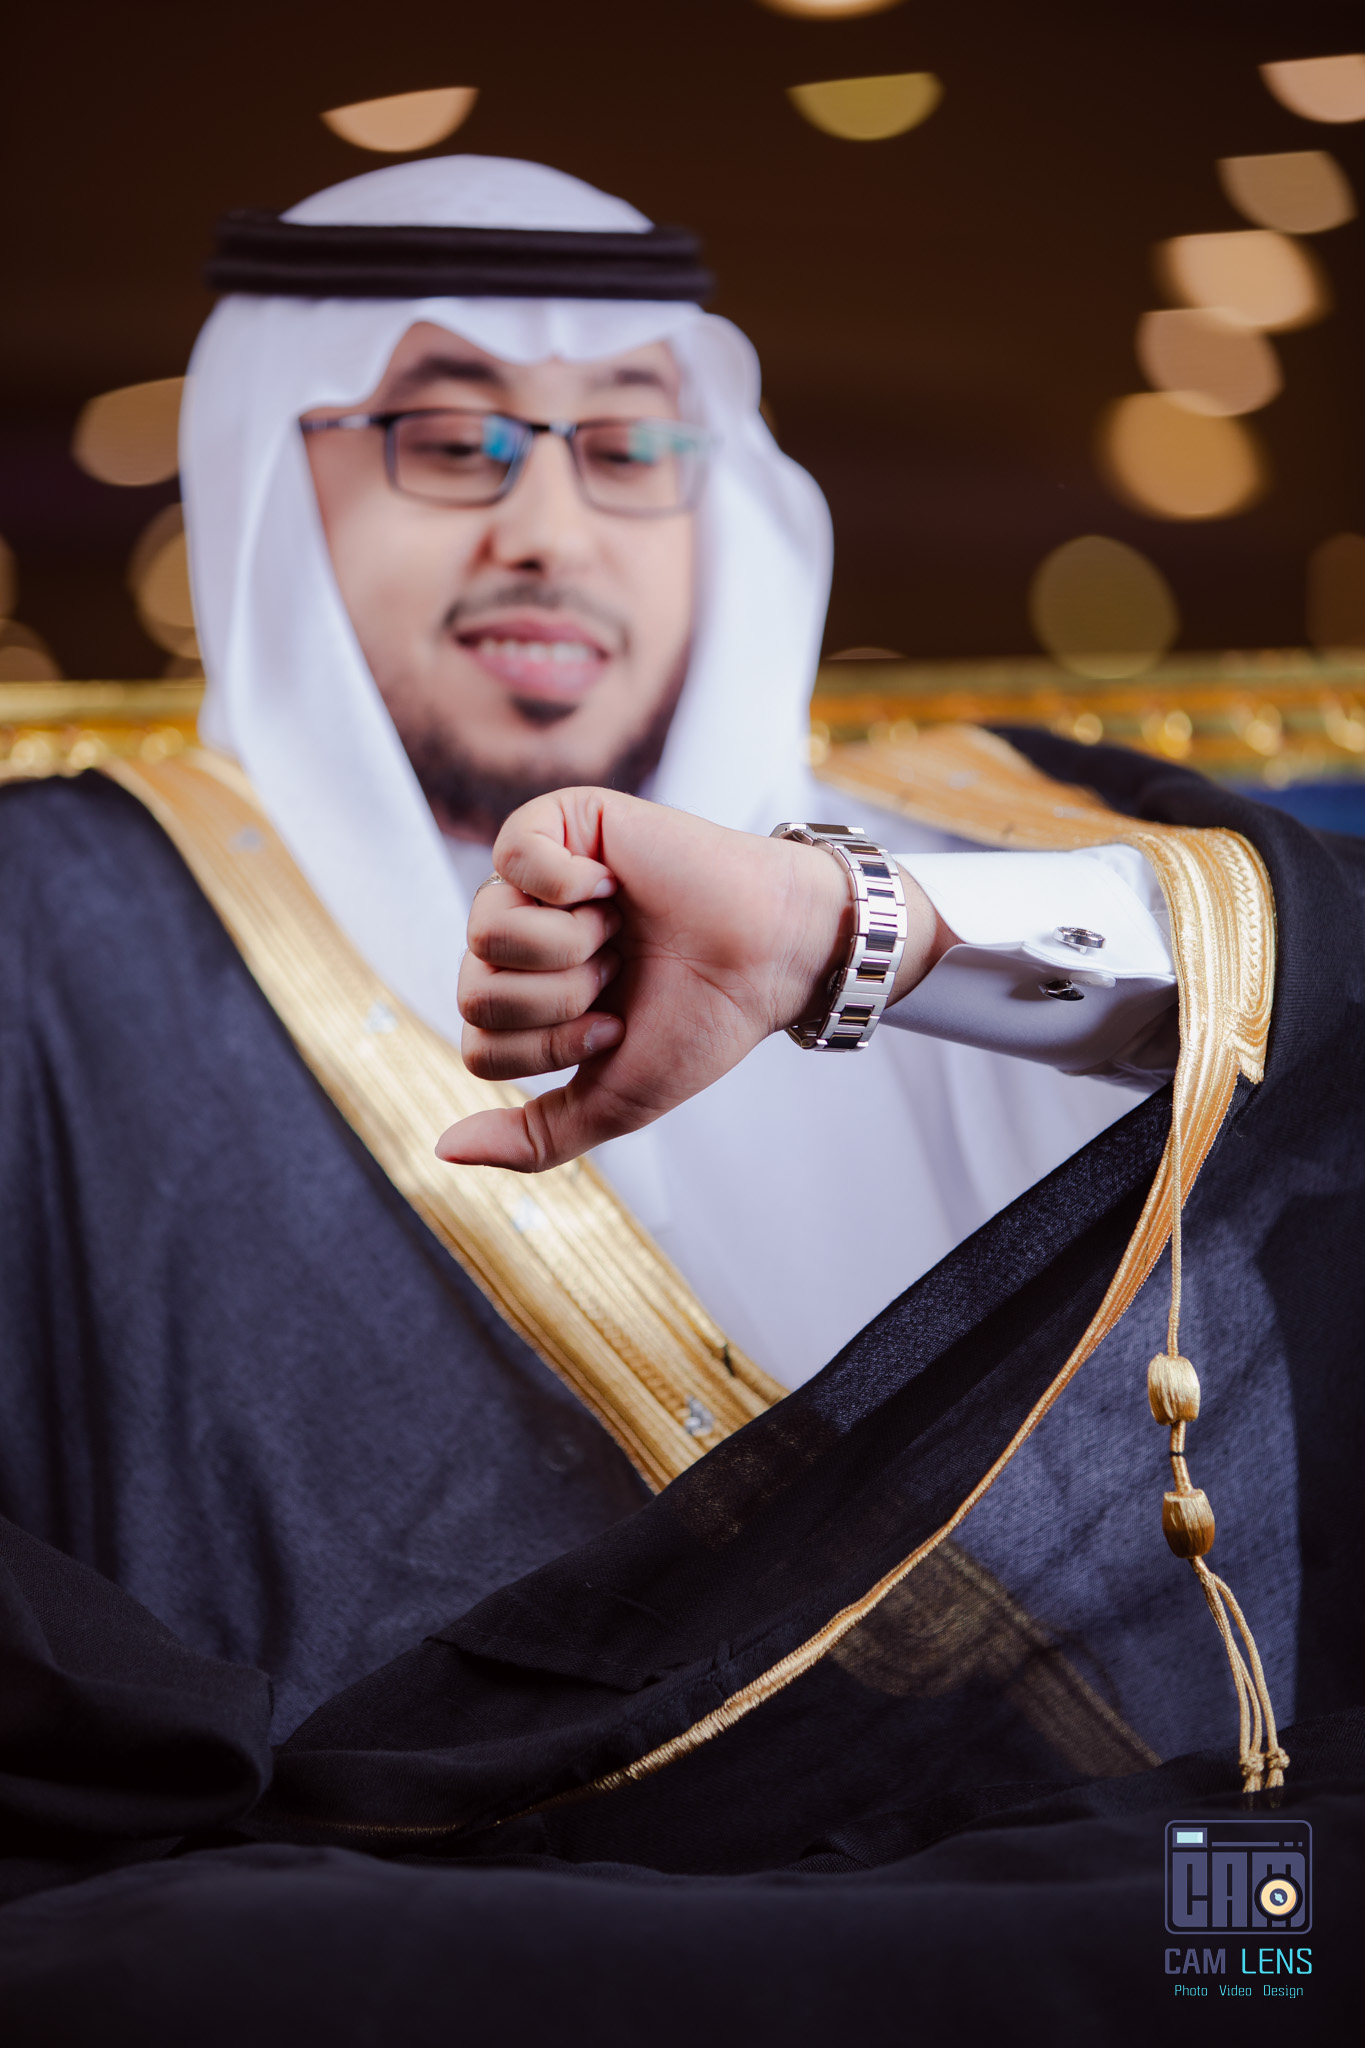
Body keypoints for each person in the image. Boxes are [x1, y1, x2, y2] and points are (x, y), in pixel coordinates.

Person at [1, 153, 1361, 2040]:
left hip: (1154, 1877)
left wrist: (850, 934)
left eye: (629, 445)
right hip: (434, 1936)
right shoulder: (57, 922)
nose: (547, 526)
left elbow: (1328, 1010)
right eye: (450, 440)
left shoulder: (992, 827)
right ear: (265, 476)